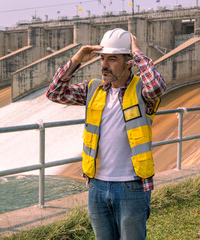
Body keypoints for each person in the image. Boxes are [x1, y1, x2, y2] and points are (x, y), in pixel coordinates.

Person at [46, 28, 166, 240]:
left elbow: (156, 86)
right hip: (97, 186)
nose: (104, 65)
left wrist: (137, 52)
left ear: (129, 62)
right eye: (102, 59)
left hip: (131, 186)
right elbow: (55, 92)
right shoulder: (93, 89)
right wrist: (76, 59)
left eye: (112, 59)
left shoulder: (142, 91)